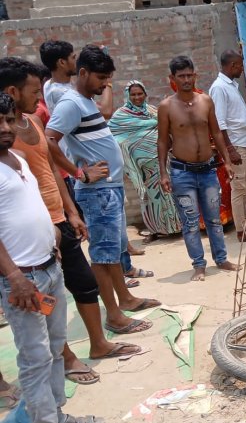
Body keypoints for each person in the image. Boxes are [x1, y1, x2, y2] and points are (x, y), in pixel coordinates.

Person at [0, 57, 147, 387]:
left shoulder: (33, 123)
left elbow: (51, 170)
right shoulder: (6, 138)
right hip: (27, 240)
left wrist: (71, 211)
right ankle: (64, 358)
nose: (41, 99)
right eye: (34, 92)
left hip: (57, 222)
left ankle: (98, 343)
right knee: (39, 307)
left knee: (82, 285)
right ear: (12, 90)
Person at [0, 92, 105, 423]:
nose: (6, 129)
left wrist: (53, 235)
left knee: (57, 346)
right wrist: (13, 276)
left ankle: (56, 417)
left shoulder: (18, 158)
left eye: (8, 121)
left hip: (48, 267)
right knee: (35, 359)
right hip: (22, 281)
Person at [44, 45, 162, 319]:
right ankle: (114, 315)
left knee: (114, 250)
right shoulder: (70, 103)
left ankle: (126, 299)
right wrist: (79, 173)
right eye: (101, 78)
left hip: (110, 188)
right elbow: (49, 140)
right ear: (83, 73)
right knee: (103, 255)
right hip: (97, 191)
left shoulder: (85, 102)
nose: (105, 84)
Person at [158, 56, 239, 281]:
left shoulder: (206, 101)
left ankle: (221, 259)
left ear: (195, 75)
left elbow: (216, 133)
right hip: (181, 172)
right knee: (190, 222)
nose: (186, 80)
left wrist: (227, 161)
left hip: (207, 169)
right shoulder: (166, 107)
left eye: (189, 75)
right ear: (172, 78)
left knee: (214, 218)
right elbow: (163, 141)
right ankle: (199, 265)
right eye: (181, 76)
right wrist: (163, 173)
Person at [108, 80, 182, 243]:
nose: (137, 97)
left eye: (140, 93)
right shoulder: (121, 115)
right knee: (150, 198)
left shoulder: (152, 111)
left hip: (161, 162)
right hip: (142, 167)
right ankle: (155, 230)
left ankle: (177, 227)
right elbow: (112, 134)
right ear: (128, 96)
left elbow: (165, 128)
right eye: (133, 94)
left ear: (145, 94)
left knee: (170, 194)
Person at [209, 50, 246, 242]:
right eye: (240, 65)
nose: (242, 69)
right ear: (232, 65)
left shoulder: (230, 86)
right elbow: (219, 123)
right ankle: (242, 231)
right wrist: (229, 150)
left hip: (243, 141)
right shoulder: (219, 87)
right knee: (239, 188)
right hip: (235, 144)